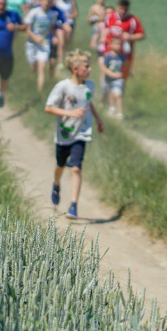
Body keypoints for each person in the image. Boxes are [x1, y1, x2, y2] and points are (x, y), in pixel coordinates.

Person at [44, 50, 104, 219]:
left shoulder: (90, 86)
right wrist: (69, 113)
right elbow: (48, 107)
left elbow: (89, 103)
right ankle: (56, 185)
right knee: (60, 165)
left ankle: (73, 205)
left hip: (82, 132)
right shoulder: (63, 86)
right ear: (75, 69)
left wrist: (99, 120)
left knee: (76, 168)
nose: (90, 69)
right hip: (64, 133)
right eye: (86, 66)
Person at [23, 0, 62, 90]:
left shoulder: (52, 14)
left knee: (42, 68)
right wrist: (35, 37)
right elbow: (26, 28)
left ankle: (39, 91)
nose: (46, 3)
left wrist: (54, 37)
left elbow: (52, 28)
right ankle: (32, 80)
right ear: (40, 1)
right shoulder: (34, 12)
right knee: (33, 67)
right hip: (32, 44)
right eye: (44, 0)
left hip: (44, 44)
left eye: (48, 1)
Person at [102, 0, 144, 79]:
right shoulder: (110, 16)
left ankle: (118, 91)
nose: (123, 11)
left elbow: (141, 35)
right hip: (110, 50)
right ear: (117, 7)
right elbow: (105, 27)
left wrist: (130, 36)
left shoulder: (132, 20)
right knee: (106, 71)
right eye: (121, 8)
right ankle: (104, 90)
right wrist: (103, 38)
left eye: (125, 9)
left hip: (125, 53)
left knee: (122, 75)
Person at [99, 35, 127, 118]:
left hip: (118, 79)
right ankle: (104, 104)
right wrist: (112, 74)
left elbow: (126, 64)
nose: (117, 46)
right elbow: (103, 68)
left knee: (118, 94)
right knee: (106, 92)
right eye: (115, 44)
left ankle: (119, 113)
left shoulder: (122, 56)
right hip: (108, 79)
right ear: (110, 45)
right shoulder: (108, 56)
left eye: (119, 44)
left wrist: (129, 72)